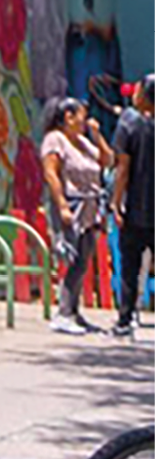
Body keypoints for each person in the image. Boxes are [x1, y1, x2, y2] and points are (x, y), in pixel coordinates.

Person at [40, 96, 112, 335]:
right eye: (81, 114)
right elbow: (51, 173)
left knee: (84, 259)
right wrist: (61, 205)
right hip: (71, 206)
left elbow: (107, 160)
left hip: (90, 208)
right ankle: (63, 313)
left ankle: (73, 311)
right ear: (68, 117)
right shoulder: (55, 140)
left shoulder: (81, 141)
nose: (85, 119)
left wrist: (97, 136)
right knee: (72, 259)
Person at [112, 73, 155, 338]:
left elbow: (123, 168)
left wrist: (116, 202)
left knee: (130, 266)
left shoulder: (128, 122)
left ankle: (125, 319)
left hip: (137, 209)